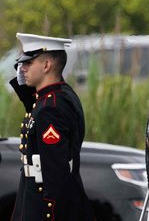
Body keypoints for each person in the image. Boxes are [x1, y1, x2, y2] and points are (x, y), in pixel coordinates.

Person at [9, 33, 94, 221]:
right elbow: (31, 101)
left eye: (28, 63)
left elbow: (55, 173)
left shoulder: (51, 108)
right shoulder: (60, 95)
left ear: (46, 65)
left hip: (44, 206)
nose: (22, 69)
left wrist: (51, 213)